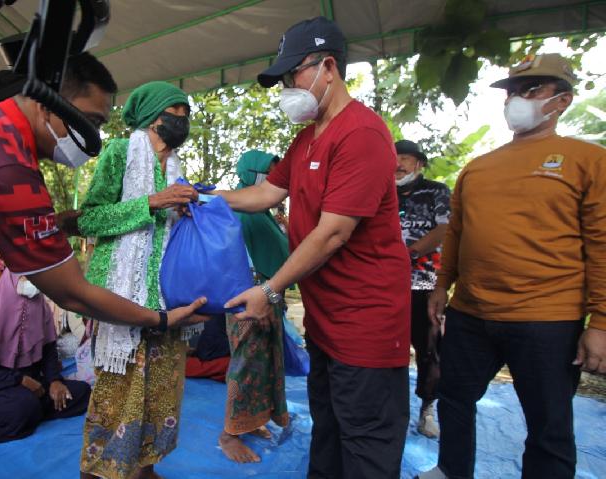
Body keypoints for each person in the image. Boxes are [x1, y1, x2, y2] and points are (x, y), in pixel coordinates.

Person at [0, 52, 205, 479]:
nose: (92, 135)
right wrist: (160, 318)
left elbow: (23, 223)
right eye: (88, 118)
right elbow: (72, 290)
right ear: (45, 100)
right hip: (122, 299)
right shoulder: (7, 167)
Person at [215, 17, 411, 479]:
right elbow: (264, 195)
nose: (287, 88)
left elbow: (333, 233)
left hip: (366, 323)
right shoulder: (307, 138)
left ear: (327, 67)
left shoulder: (361, 133)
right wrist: (203, 197)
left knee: (364, 439)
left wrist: (272, 290)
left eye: (292, 75)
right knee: (329, 426)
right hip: (326, 319)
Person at [417, 53, 606, 479]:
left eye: (532, 90)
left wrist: (601, 323)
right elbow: (458, 234)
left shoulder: (586, 160)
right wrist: (439, 287)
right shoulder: (477, 168)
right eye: (513, 92)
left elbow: (601, 243)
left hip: (547, 319)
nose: (517, 99)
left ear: (562, 101)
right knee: (454, 396)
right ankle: (451, 469)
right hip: (471, 313)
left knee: (549, 424)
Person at [56, 81, 201, 479]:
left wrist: (185, 211)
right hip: (120, 294)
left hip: (166, 296)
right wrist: (152, 202)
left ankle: (145, 468)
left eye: (186, 116)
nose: (181, 123)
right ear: (154, 117)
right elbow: (89, 218)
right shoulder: (120, 153)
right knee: (117, 392)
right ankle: (98, 471)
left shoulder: (176, 171)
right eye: (175, 114)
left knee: (161, 391)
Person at [0, 269, 91, 442]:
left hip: (34, 384)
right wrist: (19, 380)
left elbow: (49, 351)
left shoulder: (41, 309)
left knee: (81, 392)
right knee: (23, 406)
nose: (31, 281)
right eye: (24, 277)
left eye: (34, 277)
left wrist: (54, 381)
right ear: (11, 280)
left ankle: (29, 412)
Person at [219, 150, 290, 464]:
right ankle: (229, 433)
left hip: (267, 297)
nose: (275, 181)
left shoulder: (262, 216)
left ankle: (253, 419)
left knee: (265, 363)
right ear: (252, 174)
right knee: (246, 363)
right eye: (269, 173)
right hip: (247, 299)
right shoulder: (241, 213)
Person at [395, 140, 450, 438]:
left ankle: (427, 409)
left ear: (419, 164)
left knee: (429, 350)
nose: (398, 164)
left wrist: (409, 253)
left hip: (424, 283)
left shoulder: (436, 191)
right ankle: (389, 407)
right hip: (383, 286)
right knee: (384, 347)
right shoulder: (380, 191)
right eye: (394, 158)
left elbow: (445, 229)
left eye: (405, 158)